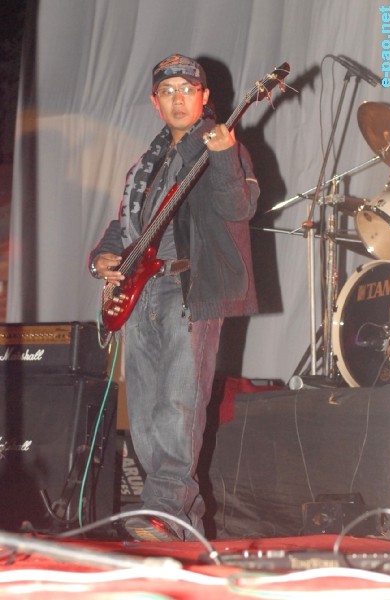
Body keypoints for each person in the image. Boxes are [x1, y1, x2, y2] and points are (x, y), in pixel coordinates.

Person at [88, 53, 259, 541]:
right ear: (155, 102)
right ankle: (181, 528)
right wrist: (102, 257)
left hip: (188, 286)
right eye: (168, 91)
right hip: (140, 291)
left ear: (204, 97)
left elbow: (239, 207)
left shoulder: (220, 147)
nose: (178, 98)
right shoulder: (147, 163)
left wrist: (224, 155)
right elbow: (127, 226)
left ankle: (163, 509)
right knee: (144, 412)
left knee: (178, 405)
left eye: (187, 89)